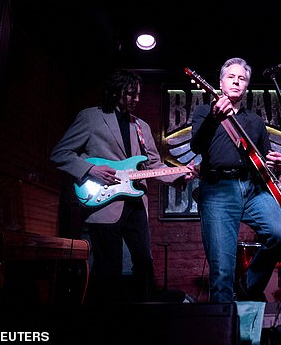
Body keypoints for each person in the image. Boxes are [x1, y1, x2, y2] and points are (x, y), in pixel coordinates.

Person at [50, 68, 194, 303]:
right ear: (116, 91)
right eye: (130, 94)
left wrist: (180, 176)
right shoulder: (90, 117)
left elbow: (153, 165)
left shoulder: (142, 127)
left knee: (144, 264)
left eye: (138, 94)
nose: (136, 99)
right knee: (109, 269)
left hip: (136, 204)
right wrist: (91, 169)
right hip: (104, 203)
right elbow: (60, 153)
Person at [190, 57, 281, 303]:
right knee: (222, 268)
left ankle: (248, 286)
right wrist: (214, 118)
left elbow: (266, 161)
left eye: (242, 79)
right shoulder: (204, 111)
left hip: (253, 189)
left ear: (247, 87)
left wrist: (278, 165)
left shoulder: (255, 121)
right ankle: (224, 331)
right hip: (218, 190)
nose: (236, 81)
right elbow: (196, 145)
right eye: (231, 77)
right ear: (221, 83)